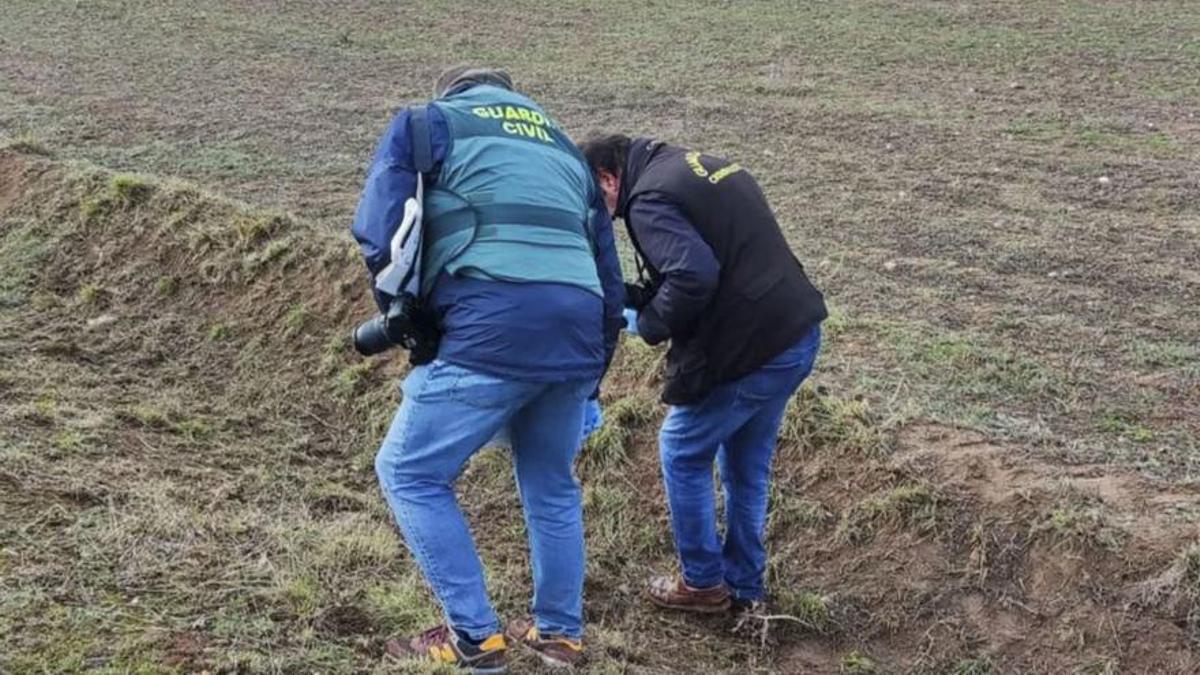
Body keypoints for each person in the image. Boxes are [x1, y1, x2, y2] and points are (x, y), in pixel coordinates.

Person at [351, 67, 624, 672]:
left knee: (409, 471)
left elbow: (382, 231)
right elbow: (609, 276)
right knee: (551, 483)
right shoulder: (561, 147)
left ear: (456, 92)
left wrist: (404, 316)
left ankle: (474, 636)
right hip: (578, 331)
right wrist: (591, 377)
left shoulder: (427, 123)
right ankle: (559, 635)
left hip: (490, 323)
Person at [578, 134, 827, 615]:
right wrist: (632, 296)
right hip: (795, 333)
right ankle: (745, 587)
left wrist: (649, 324)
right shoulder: (693, 166)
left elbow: (693, 275)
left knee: (682, 449)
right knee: (744, 466)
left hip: (752, 349)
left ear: (609, 178)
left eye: (593, 198)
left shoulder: (648, 201)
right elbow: (708, 262)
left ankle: (702, 583)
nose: (597, 212)